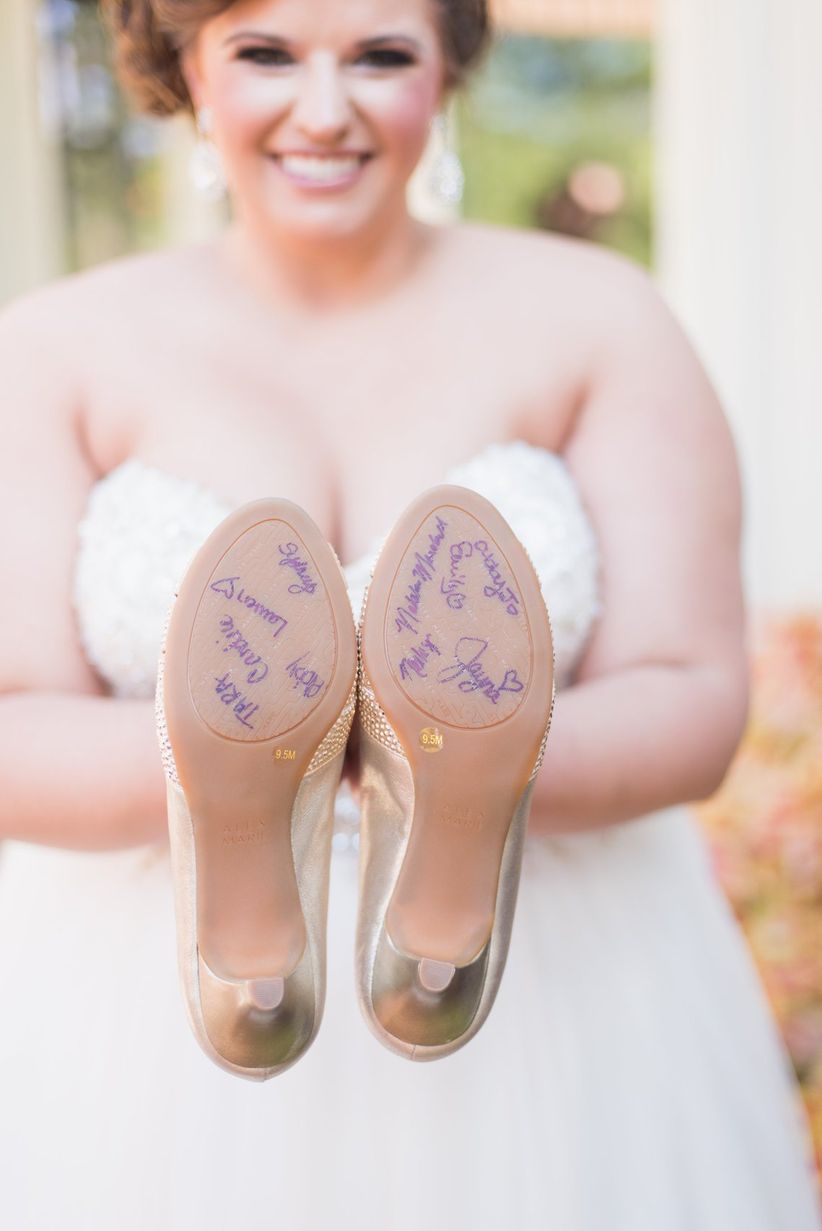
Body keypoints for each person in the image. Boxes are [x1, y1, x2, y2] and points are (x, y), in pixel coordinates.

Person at [0, 0, 819, 1226]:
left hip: (573, 992)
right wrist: (251, 753)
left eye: (380, 55)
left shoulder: (602, 316)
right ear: (184, 69)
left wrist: (451, 751)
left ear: (448, 71)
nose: (324, 111)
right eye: (265, 53)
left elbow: (695, 694)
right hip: (128, 1017)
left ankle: (443, 822)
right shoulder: (52, 346)